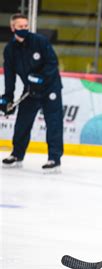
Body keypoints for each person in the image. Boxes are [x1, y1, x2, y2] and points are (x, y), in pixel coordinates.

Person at [0, 13, 63, 172]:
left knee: (53, 123)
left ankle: (54, 158)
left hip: (50, 89)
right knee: (22, 122)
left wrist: (41, 78)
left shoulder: (39, 41)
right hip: (31, 91)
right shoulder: (10, 50)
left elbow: (52, 62)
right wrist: (8, 98)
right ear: (13, 28)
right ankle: (17, 154)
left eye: (26, 26)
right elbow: (9, 77)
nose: (24, 29)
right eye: (20, 27)